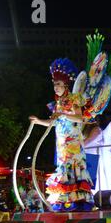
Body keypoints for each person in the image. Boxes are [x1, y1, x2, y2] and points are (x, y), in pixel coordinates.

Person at [29, 58, 94, 212]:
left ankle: (78, 202)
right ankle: (65, 201)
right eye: (54, 84)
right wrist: (38, 121)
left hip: (74, 143)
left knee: (74, 169)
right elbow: (54, 123)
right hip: (62, 145)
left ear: (66, 84)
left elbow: (79, 117)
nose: (55, 87)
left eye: (58, 84)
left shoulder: (73, 99)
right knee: (64, 170)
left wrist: (64, 115)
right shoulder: (58, 103)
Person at [83, 105, 111, 194]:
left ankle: (99, 199)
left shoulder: (96, 130)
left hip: (94, 158)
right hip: (88, 157)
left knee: (95, 182)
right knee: (89, 182)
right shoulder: (84, 130)